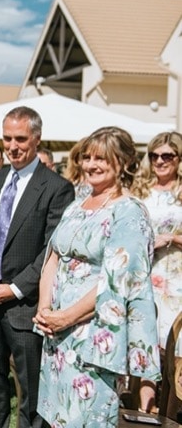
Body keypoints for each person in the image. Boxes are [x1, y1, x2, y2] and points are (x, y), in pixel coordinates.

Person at [34, 126, 159, 426]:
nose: (91, 165)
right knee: (58, 416)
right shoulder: (77, 205)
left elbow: (117, 283)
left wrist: (66, 317)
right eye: (87, 157)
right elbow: (52, 258)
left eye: (102, 158)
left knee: (87, 418)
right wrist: (45, 310)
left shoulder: (129, 212)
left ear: (125, 162)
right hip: (57, 335)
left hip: (93, 335)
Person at [0, 107, 74, 428]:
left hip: (24, 307)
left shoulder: (56, 188)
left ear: (37, 139)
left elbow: (51, 250)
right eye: (7, 138)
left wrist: (13, 288)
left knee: (32, 393)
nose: (12, 146)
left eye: (20, 139)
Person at [136, 131, 182, 418]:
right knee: (145, 345)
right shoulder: (140, 191)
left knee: (176, 347)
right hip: (146, 275)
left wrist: (173, 239)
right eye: (155, 155)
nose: (160, 161)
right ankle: (146, 413)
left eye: (167, 155)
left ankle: (173, 409)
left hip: (177, 279)